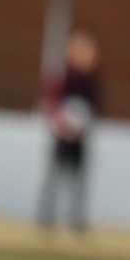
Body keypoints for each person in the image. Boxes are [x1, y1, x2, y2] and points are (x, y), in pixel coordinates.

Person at [37, 30, 103, 233]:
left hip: (80, 138)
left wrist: (83, 125)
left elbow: (94, 107)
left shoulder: (91, 81)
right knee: (55, 177)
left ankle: (76, 220)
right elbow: (51, 103)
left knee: (78, 180)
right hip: (62, 136)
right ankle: (46, 218)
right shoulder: (65, 78)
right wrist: (61, 123)